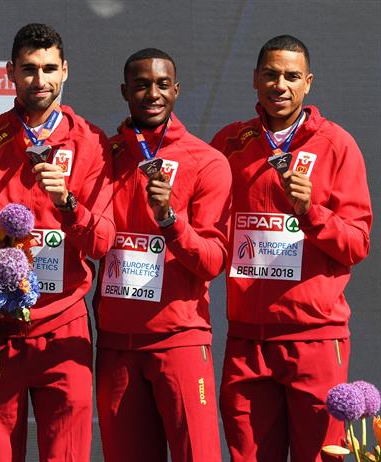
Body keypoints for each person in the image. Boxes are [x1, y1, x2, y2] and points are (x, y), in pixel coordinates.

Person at [211, 35, 372, 462]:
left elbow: (357, 244)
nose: (279, 85)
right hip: (247, 340)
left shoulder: (337, 145)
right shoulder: (228, 144)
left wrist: (310, 211)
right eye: (270, 74)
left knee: (320, 456)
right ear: (255, 80)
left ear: (308, 83)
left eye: (291, 76)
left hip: (314, 339)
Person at [0, 23, 115, 462]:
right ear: (10, 72)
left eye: (49, 69)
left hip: (64, 327)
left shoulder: (94, 144)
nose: (39, 80)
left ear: (65, 71)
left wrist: (67, 202)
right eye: (28, 69)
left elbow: (102, 243)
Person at [94, 48, 229, 461]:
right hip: (117, 346)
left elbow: (212, 261)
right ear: (124, 91)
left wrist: (171, 220)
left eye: (161, 84)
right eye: (141, 84)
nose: (152, 93)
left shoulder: (207, 161)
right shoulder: (105, 156)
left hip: (180, 341)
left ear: (176, 90)